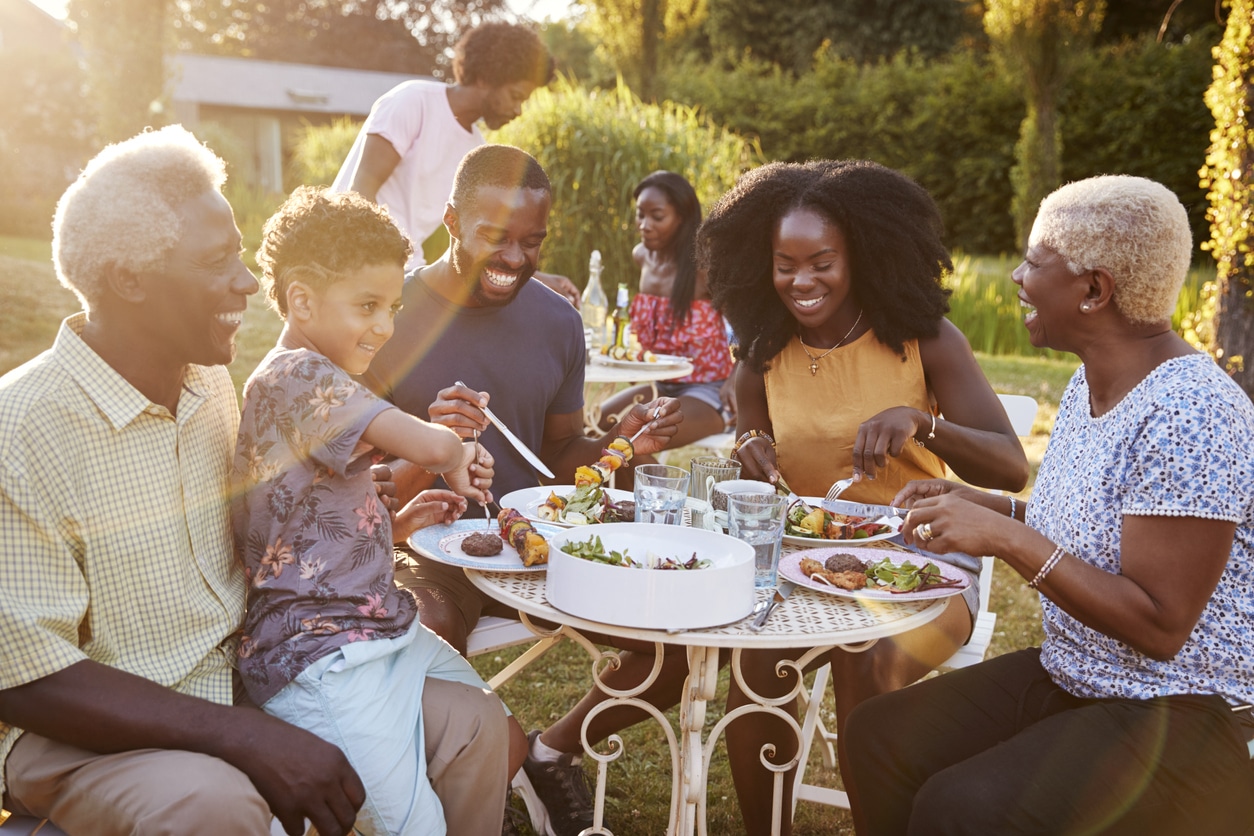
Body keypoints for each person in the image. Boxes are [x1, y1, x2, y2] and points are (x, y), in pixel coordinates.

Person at [844, 175, 1254, 835]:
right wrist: (991, 509)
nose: (1016, 275)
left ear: (1095, 290)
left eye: (1035, 261)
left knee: (961, 808)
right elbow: (1093, 537)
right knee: (879, 737)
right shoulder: (1088, 383)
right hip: (1079, 676)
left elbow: (1159, 624)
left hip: (1185, 713)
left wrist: (1006, 540)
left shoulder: (1190, 414)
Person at [0, 126, 364, 836]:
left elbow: (252, 532)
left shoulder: (208, 382)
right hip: (76, 737)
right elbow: (29, 677)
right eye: (218, 260)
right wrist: (244, 736)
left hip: (235, 685)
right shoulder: (19, 428)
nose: (248, 281)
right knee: (215, 804)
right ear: (130, 279)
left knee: (459, 722)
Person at [365, 143, 692, 836]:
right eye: (495, 238)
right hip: (433, 549)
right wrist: (429, 441)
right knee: (418, 643)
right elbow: (351, 481)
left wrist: (622, 446)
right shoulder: (387, 314)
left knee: (678, 641)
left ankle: (548, 753)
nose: (515, 259)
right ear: (450, 220)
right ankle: (461, 800)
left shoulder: (556, 320)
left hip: (550, 547)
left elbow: (560, 453)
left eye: (532, 241)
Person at [699, 159, 1030, 834]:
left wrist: (923, 422)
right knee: (756, 674)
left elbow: (1010, 466)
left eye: (821, 262)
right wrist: (750, 445)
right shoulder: (763, 349)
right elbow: (749, 425)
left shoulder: (924, 338)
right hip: (808, 564)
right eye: (784, 264)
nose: (801, 281)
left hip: (921, 562)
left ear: (862, 255)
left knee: (864, 662)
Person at [231, 186, 515, 835]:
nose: (385, 326)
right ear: (301, 299)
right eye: (368, 306)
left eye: (391, 307)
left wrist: (396, 524)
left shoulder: (315, 380)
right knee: (413, 827)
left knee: (484, 718)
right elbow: (428, 440)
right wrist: (453, 453)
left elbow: (309, 521)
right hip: (324, 659)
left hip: (374, 630)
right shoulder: (296, 377)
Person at [332, 21, 580, 305]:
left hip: (403, 271)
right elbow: (359, 191)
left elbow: (474, 240)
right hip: (353, 259)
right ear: (487, 77)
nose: (517, 111)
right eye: (515, 97)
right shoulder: (414, 101)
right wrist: (372, 270)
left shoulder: (476, 150)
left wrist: (538, 279)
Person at [596, 171, 735, 488]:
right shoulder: (641, 256)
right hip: (659, 385)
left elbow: (747, 327)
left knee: (630, 438)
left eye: (656, 216)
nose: (644, 225)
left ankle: (665, 510)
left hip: (707, 390)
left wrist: (737, 378)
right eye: (640, 215)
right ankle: (650, 505)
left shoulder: (705, 267)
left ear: (683, 217)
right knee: (595, 427)